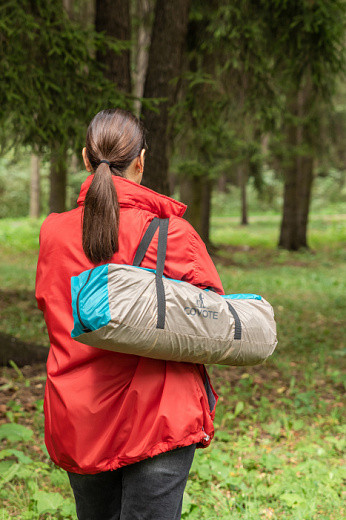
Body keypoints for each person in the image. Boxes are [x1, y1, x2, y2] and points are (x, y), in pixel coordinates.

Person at [35, 108, 224, 520]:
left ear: (86, 158)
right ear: (141, 161)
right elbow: (213, 321)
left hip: (79, 414)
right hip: (160, 411)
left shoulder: (53, 233)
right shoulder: (173, 234)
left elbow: (53, 310)